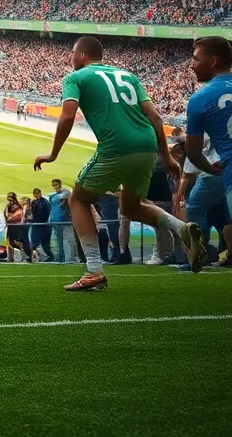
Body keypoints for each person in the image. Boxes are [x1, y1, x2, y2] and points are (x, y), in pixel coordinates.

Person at [35, 36, 204, 291]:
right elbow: (156, 117)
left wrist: (53, 153)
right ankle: (182, 229)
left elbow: (68, 115)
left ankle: (94, 270)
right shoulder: (128, 75)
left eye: (72, 53)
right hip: (147, 146)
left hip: (116, 146)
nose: (70, 58)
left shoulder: (75, 78)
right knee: (132, 207)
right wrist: (166, 157)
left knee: (78, 200)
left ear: (81, 55)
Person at [183, 36, 232, 271]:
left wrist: (208, 168)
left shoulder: (199, 99)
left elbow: (193, 153)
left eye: (196, 58)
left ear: (212, 61)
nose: (192, 64)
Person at [174, 140, 232, 269]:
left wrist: (179, 197)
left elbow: (187, 175)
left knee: (194, 209)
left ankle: (198, 256)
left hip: (212, 174)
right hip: (230, 171)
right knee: (227, 219)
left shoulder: (194, 145)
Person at [49, 179, 76, 263]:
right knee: (59, 241)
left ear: (60, 184)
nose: (55, 186)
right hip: (56, 220)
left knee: (68, 239)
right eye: (53, 184)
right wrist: (50, 219)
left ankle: (70, 258)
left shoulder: (66, 193)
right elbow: (52, 208)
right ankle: (61, 257)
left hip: (66, 220)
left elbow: (64, 199)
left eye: (56, 184)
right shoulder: (53, 196)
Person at [30, 187, 52, 262]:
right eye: (36, 194)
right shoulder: (34, 202)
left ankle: (50, 256)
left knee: (45, 243)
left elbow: (48, 212)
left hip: (43, 225)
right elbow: (32, 213)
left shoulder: (45, 202)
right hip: (36, 225)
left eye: (38, 193)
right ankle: (35, 257)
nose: (37, 195)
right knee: (34, 243)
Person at [4, 192, 26, 263]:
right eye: (8, 196)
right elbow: (6, 214)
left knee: (15, 243)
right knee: (8, 243)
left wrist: (9, 217)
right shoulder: (8, 205)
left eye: (10, 197)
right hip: (9, 226)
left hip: (15, 227)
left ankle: (24, 256)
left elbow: (18, 216)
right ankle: (10, 259)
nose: (9, 198)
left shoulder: (17, 206)